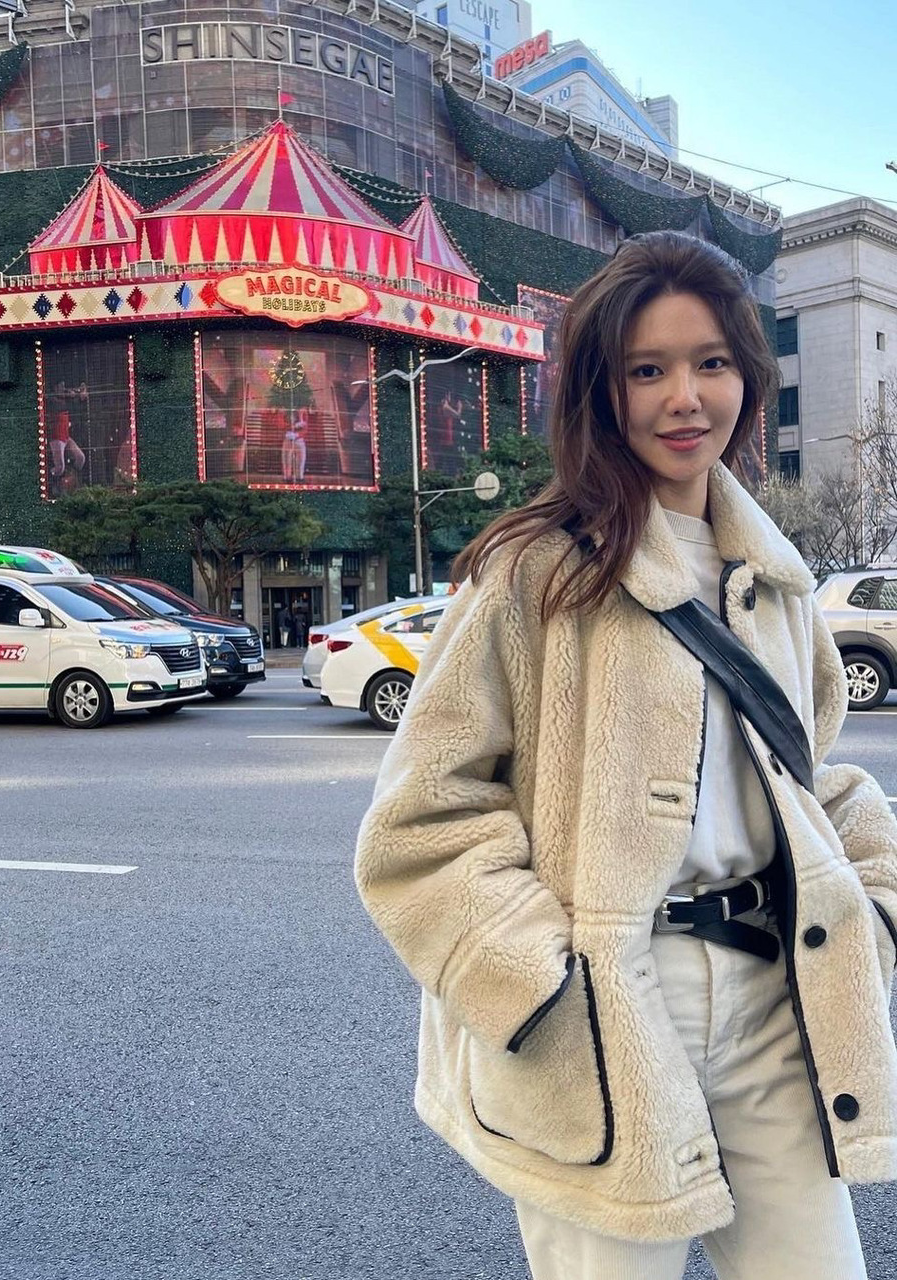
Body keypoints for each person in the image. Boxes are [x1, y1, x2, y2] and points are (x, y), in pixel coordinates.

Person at [355, 231, 897, 1280]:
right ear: (602, 393)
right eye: (646, 370)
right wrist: (542, 984)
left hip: (773, 993)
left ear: (747, 375)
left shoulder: (775, 579)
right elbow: (421, 820)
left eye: (710, 362)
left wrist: (874, 898)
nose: (684, 397)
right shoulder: (534, 572)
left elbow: (810, 775)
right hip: (606, 1011)